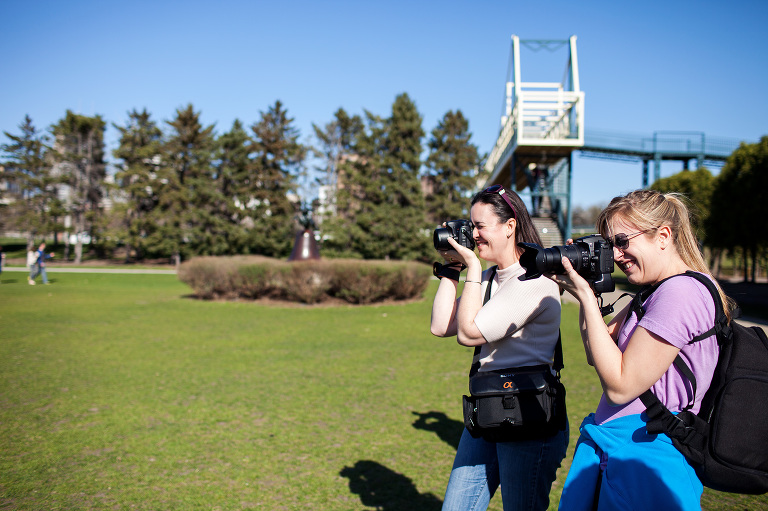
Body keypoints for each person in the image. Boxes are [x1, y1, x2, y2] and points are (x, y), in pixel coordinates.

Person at [548, 190, 729, 510]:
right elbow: (596, 353)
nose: (616, 255)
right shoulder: (653, 292)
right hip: (624, 448)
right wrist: (585, 291)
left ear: (663, 236)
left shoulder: (680, 293)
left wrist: (587, 300)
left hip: (646, 457)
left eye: (622, 241)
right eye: (609, 245)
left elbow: (620, 386)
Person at [431, 185, 568, 511]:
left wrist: (474, 271)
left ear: (510, 226)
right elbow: (441, 326)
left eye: (480, 226)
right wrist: (453, 269)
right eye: (471, 225)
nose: (473, 235)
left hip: (528, 416)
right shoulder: (490, 278)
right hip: (487, 408)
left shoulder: (535, 283)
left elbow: (468, 334)